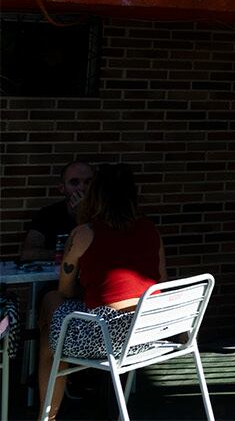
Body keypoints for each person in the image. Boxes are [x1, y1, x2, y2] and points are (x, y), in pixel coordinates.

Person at [37, 164, 165, 419]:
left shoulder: (84, 233)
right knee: (58, 320)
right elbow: (162, 282)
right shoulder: (151, 230)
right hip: (148, 335)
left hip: (108, 338)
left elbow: (64, 289)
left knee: (51, 313)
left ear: (96, 195)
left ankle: (47, 415)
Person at [19, 160, 95, 262]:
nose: (82, 188)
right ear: (62, 188)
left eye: (88, 182)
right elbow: (28, 253)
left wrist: (84, 214)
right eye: (74, 182)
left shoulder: (105, 214)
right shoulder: (49, 214)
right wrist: (66, 255)